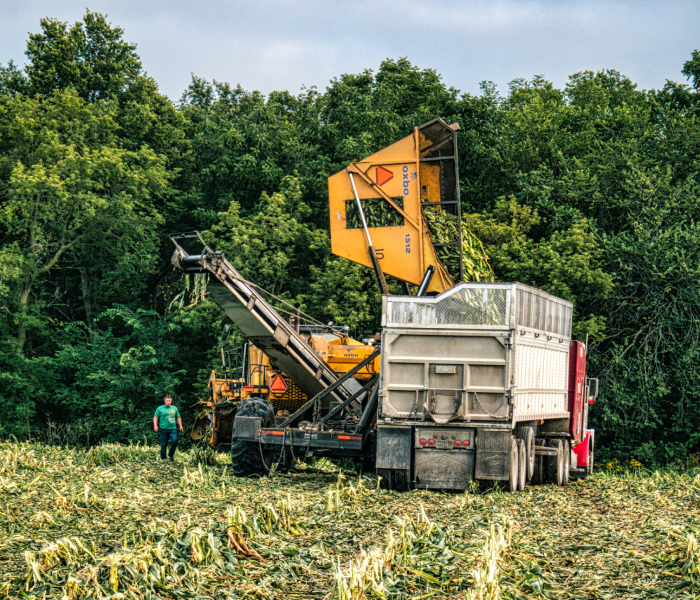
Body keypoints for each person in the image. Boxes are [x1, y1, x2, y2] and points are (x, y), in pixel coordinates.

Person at [153, 396, 183, 461]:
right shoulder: (160, 408)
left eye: (170, 401)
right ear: (164, 401)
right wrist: (155, 425)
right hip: (163, 428)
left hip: (173, 428)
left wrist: (180, 426)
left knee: (174, 441)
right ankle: (163, 458)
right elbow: (155, 417)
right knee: (164, 443)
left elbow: (178, 417)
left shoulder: (174, 408)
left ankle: (171, 455)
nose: (169, 402)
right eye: (167, 401)